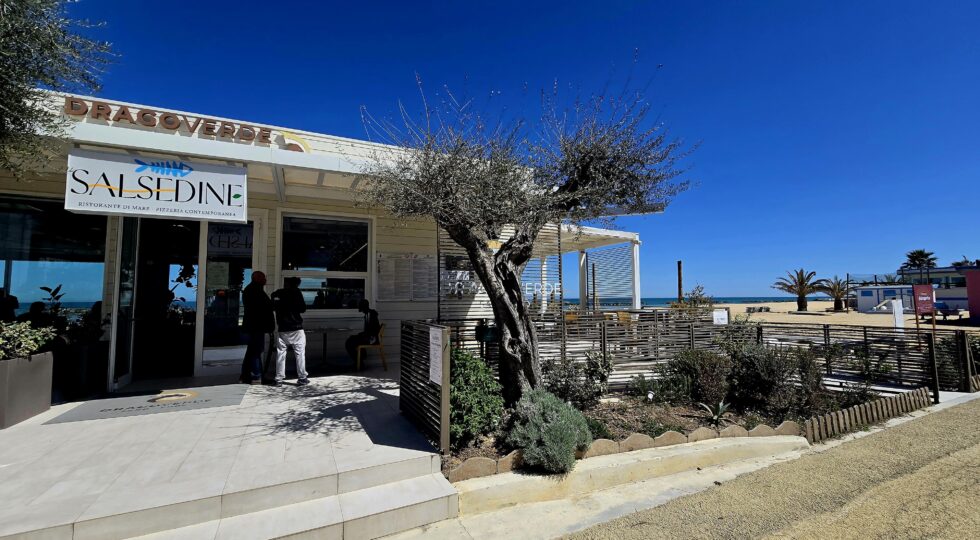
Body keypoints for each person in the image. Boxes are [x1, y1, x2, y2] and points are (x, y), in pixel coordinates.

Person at [272, 276, 309, 386]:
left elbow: (273, 304)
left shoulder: (277, 293)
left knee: (281, 353)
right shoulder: (296, 292)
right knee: (300, 353)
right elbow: (303, 308)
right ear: (296, 284)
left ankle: (279, 379)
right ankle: (302, 377)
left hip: (282, 328)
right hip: (296, 328)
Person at [241, 272, 274, 384]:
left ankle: (245, 376)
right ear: (256, 278)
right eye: (263, 277)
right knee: (255, 351)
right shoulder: (254, 291)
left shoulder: (254, 289)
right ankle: (257, 376)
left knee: (251, 351)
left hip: (253, 326)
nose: (265, 279)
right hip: (255, 327)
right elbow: (261, 309)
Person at [346, 299, 381, 365]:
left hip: (372, 339)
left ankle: (359, 362)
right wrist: (358, 335)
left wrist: (360, 335)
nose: (361, 311)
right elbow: (367, 331)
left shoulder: (372, 315)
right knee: (350, 340)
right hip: (368, 336)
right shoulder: (368, 314)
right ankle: (359, 360)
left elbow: (373, 330)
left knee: (349, 343)